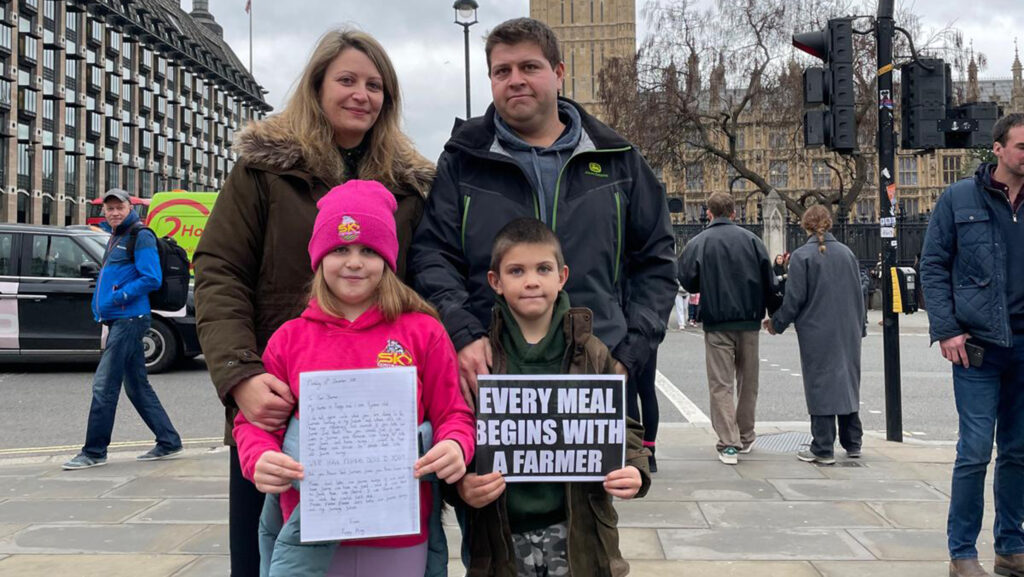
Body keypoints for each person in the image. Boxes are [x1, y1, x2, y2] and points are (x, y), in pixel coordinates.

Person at [193, 29, 435, 577]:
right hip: (280, 405)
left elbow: (423, 289)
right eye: (347, 80)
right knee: (269, 556)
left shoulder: (410, 187)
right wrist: (240, 376)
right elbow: (219, 271)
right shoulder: (264, 170)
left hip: (377, 417)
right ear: (318, 85)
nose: (361, 95)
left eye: (375, 85)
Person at [410, 15, 675, 475]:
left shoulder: (619, 160)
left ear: (558, 73)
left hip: (590, 374)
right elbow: (432, 256)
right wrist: (463, 334)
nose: (515, 80)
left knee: (588, 515)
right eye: (502, 71)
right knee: (489, 509)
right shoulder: (462, 161)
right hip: (495, 373)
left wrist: (628, 353)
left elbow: (656, 262)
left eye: (529, 67)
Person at [233, 180, 475, 576]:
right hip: (311, 532)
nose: (354, 262)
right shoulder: (289, 339)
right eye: (340, 249)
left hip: (399, 531)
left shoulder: (423, 332)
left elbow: (454, 414)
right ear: (318, 257)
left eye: (369, 250)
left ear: (388, 259)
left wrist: (455, 445)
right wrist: (258, 457)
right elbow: (254, 424)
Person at [454, 218, 650, 576]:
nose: (531, 281)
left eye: (543, 269)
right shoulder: (481, 359)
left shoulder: (592, 352)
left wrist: (634, 467)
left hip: (578, 534)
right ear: (495, 281)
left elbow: (621, 424)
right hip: (501, 537)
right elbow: (458, 429)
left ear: (562, 277)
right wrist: (461, 484)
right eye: (517, 271)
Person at [920, 113, 1024, 577]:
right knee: (976, 450)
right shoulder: (959, 197)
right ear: (998, 149)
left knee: (1018, 452)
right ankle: (962, 553)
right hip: (978, 347)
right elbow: (933, 264)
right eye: (1022, 146)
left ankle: (1011, 547)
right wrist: (946, 329)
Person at [62, 188, 183, 470]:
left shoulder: (140, 236)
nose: (114, 212)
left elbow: (151, 277)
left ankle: (94, 452)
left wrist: (119, 296)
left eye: (119, 207)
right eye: (110, 208)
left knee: (104, 385)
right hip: (121, 318)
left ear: (130, 208)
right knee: (137, 386)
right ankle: (169, 441)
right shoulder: (117, 235)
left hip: (130, 319)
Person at [678, 192, 780, 465]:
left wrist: (706, 283)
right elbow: (769, 281)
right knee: (748, 382)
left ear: (709, 213)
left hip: (717, 321)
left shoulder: (699, 242)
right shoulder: (753, 241)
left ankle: (728, 443)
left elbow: (687, 279)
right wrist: (775, 315)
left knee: (720, 384)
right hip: (749, 320)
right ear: (734, 213)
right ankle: (745, 435)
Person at [764, 205, 865, 466]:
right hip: (848, 327)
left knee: (820, 384)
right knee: (847, 381)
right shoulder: (846, 253)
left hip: (816, 329)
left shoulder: (802, 256)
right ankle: (853, 442)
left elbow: (794, 299)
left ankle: (822, 447)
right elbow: (859, 293)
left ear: (805, 225)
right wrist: (861, 326)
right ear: (829, 223)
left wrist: (776, 323)